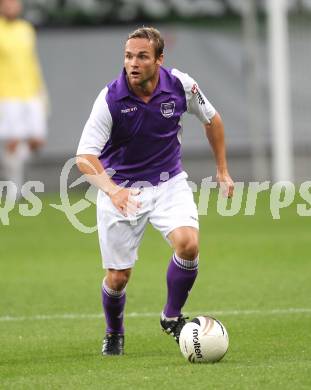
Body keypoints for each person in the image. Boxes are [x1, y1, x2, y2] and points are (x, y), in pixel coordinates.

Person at [76, 27, 234, 356]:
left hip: (168, 183)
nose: (133, 63)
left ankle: (171, 316)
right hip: (122, 191)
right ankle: (114, 331)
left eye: (142, 56)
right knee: (118, 278)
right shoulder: (110, 99)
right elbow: (85, 157)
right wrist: (112, 189)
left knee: (188, 244)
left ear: (159, 60)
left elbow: (213, 120)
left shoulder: (181, 85)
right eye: (128, 56)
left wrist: (222, 170)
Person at [0, 0, 48, 200]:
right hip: (7, 93)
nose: (12, 6)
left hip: (31, 92)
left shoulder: (26, 29)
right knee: (12, 141)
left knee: (37, 139)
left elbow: (32, 61)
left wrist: (41, 89)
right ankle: (13, 190)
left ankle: (8, 172)